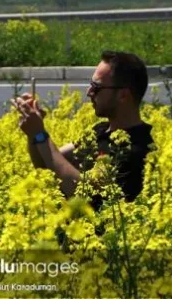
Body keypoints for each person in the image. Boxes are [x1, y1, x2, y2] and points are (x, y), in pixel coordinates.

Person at [13, 50, 156, 212]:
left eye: (97, 87)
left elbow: (86, 199)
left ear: (123, 95)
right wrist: (33, 134)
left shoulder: (138, 149)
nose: (89, 92)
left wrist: (40, 135)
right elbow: (47, 166)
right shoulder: (100, 131)